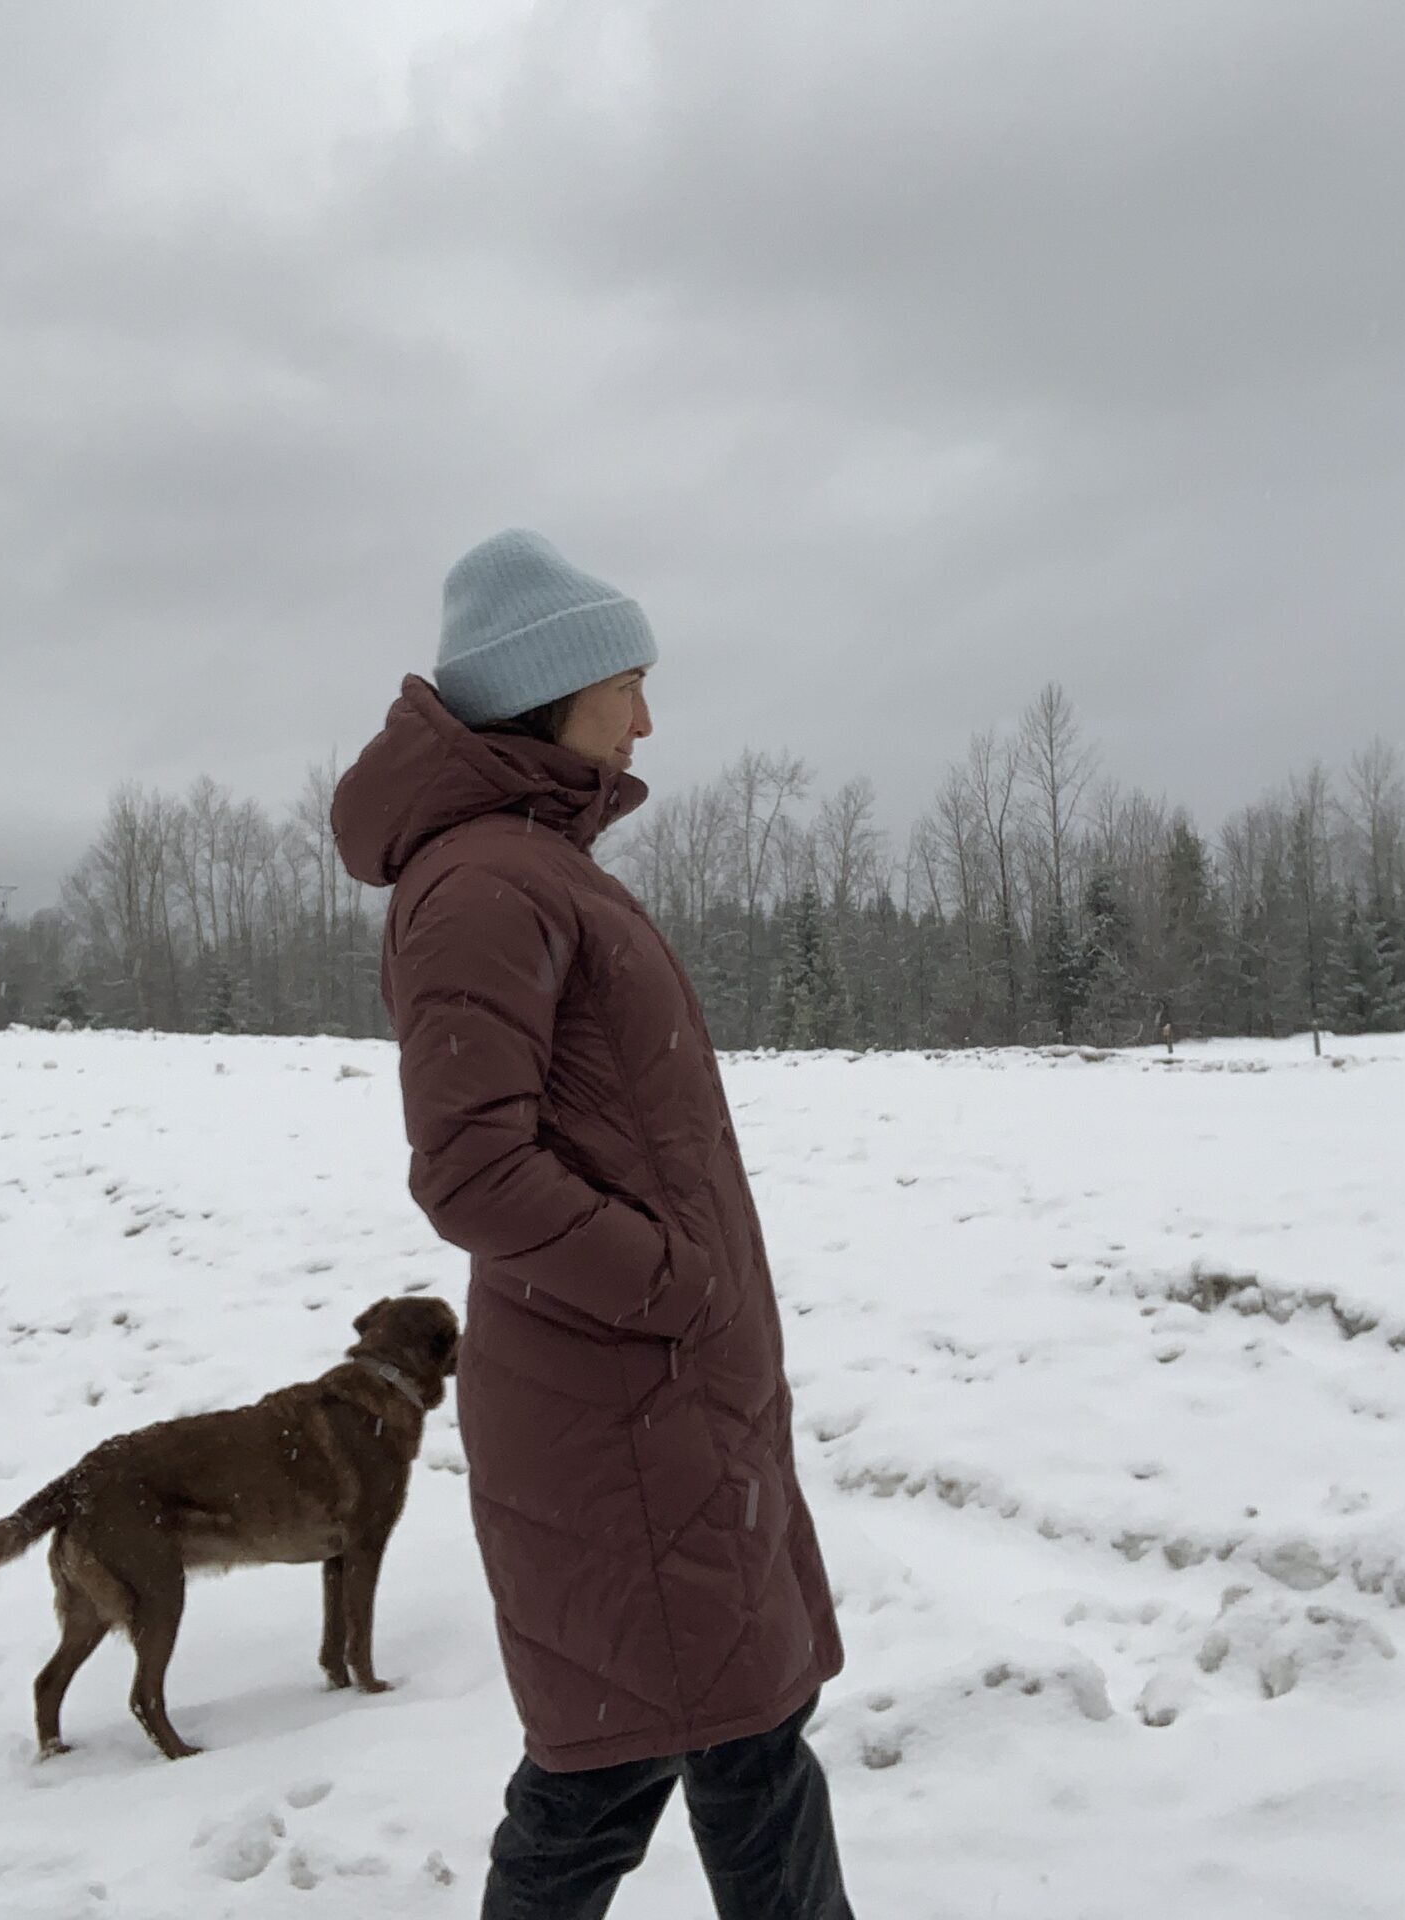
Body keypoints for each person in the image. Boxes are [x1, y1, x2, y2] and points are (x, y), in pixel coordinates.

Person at [332, 530, 853, 1919]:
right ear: (553, 692)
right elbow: (471, 1168)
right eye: (628, 683)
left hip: (654, 1407)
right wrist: (674, 1286)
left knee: (689, 1739)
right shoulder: (487, 885)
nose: (647, 718)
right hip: (623, 1407)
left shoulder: (527, 869)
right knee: (655, 1754)